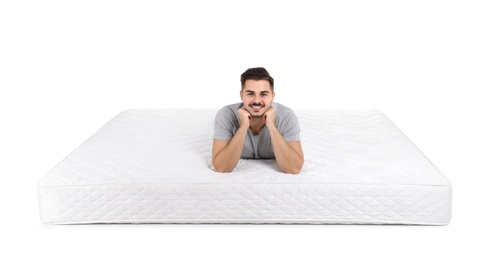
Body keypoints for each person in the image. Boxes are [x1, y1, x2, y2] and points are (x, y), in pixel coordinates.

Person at [212, 67, 304, 174]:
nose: (256, 100)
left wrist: (272, 127)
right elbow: (221, 167)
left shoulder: (286, 116)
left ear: (272, 96)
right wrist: (243, 128)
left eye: (263, 94)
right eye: (250, 94)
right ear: (241, 95)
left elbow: (294, 168)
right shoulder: (226, 115)